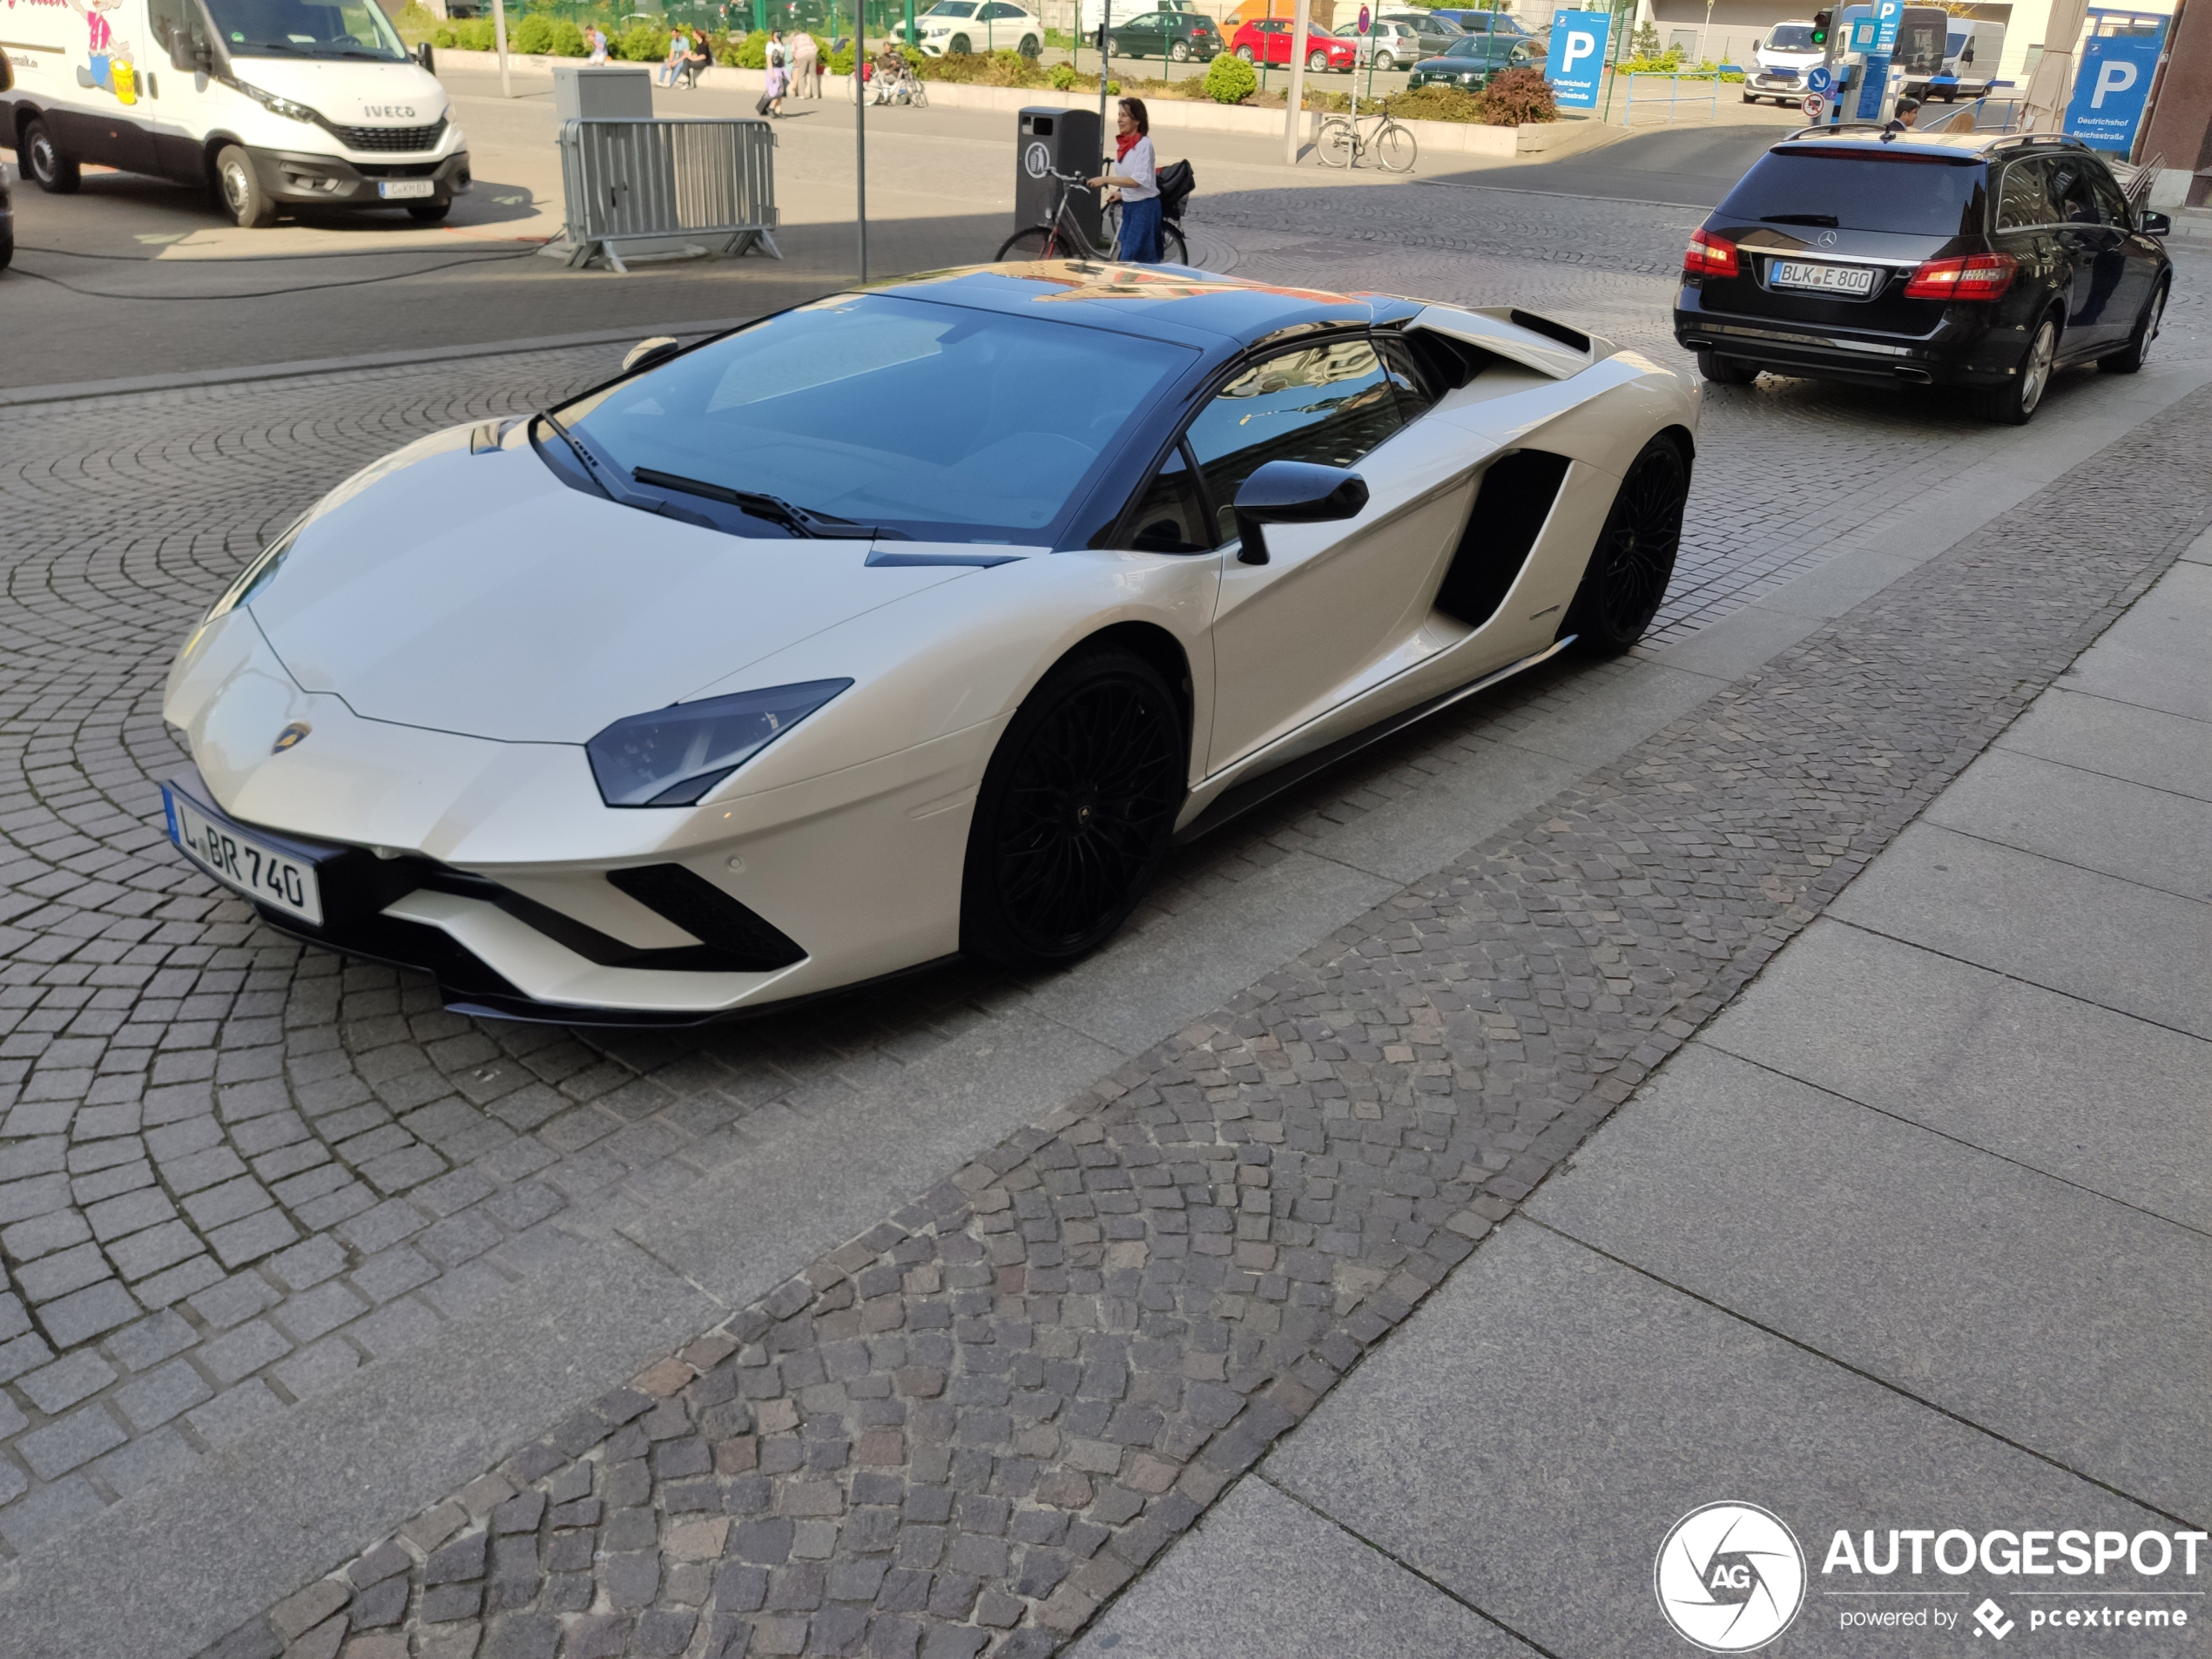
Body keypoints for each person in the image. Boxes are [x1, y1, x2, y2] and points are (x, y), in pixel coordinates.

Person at [1089, 98, 1161, 263]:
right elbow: (1129, 178)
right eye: (1119, 115)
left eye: (1124, 115)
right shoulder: (1123, 145)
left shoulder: (1144, 145)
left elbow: (1137, 181)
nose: (1119, 119)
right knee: (1129, 257)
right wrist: (1121, 194)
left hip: (1144, 208)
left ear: (1136, 121)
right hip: (1130, 206)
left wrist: (1105, 179)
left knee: (1131, 258)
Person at [791, 26, 819, 97]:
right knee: (813, 75)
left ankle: (802, 95)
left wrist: (795, 59)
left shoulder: (795, 39)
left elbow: (792, 51)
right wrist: (813, 54)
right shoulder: (807, 36)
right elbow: (816, 47)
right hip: (812, 54)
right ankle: (816, 95)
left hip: (802, 55)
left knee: (802, 75)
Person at [765, 27, 788, 115]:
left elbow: (783, 58)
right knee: (778, 91)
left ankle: (778, 110)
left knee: (781, 91)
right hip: (774, 70)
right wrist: (771, 72)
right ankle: (771, 107)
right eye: (776, 33)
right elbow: (769, 59)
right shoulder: (770, 44)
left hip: (781, 69)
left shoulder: (781, 45)